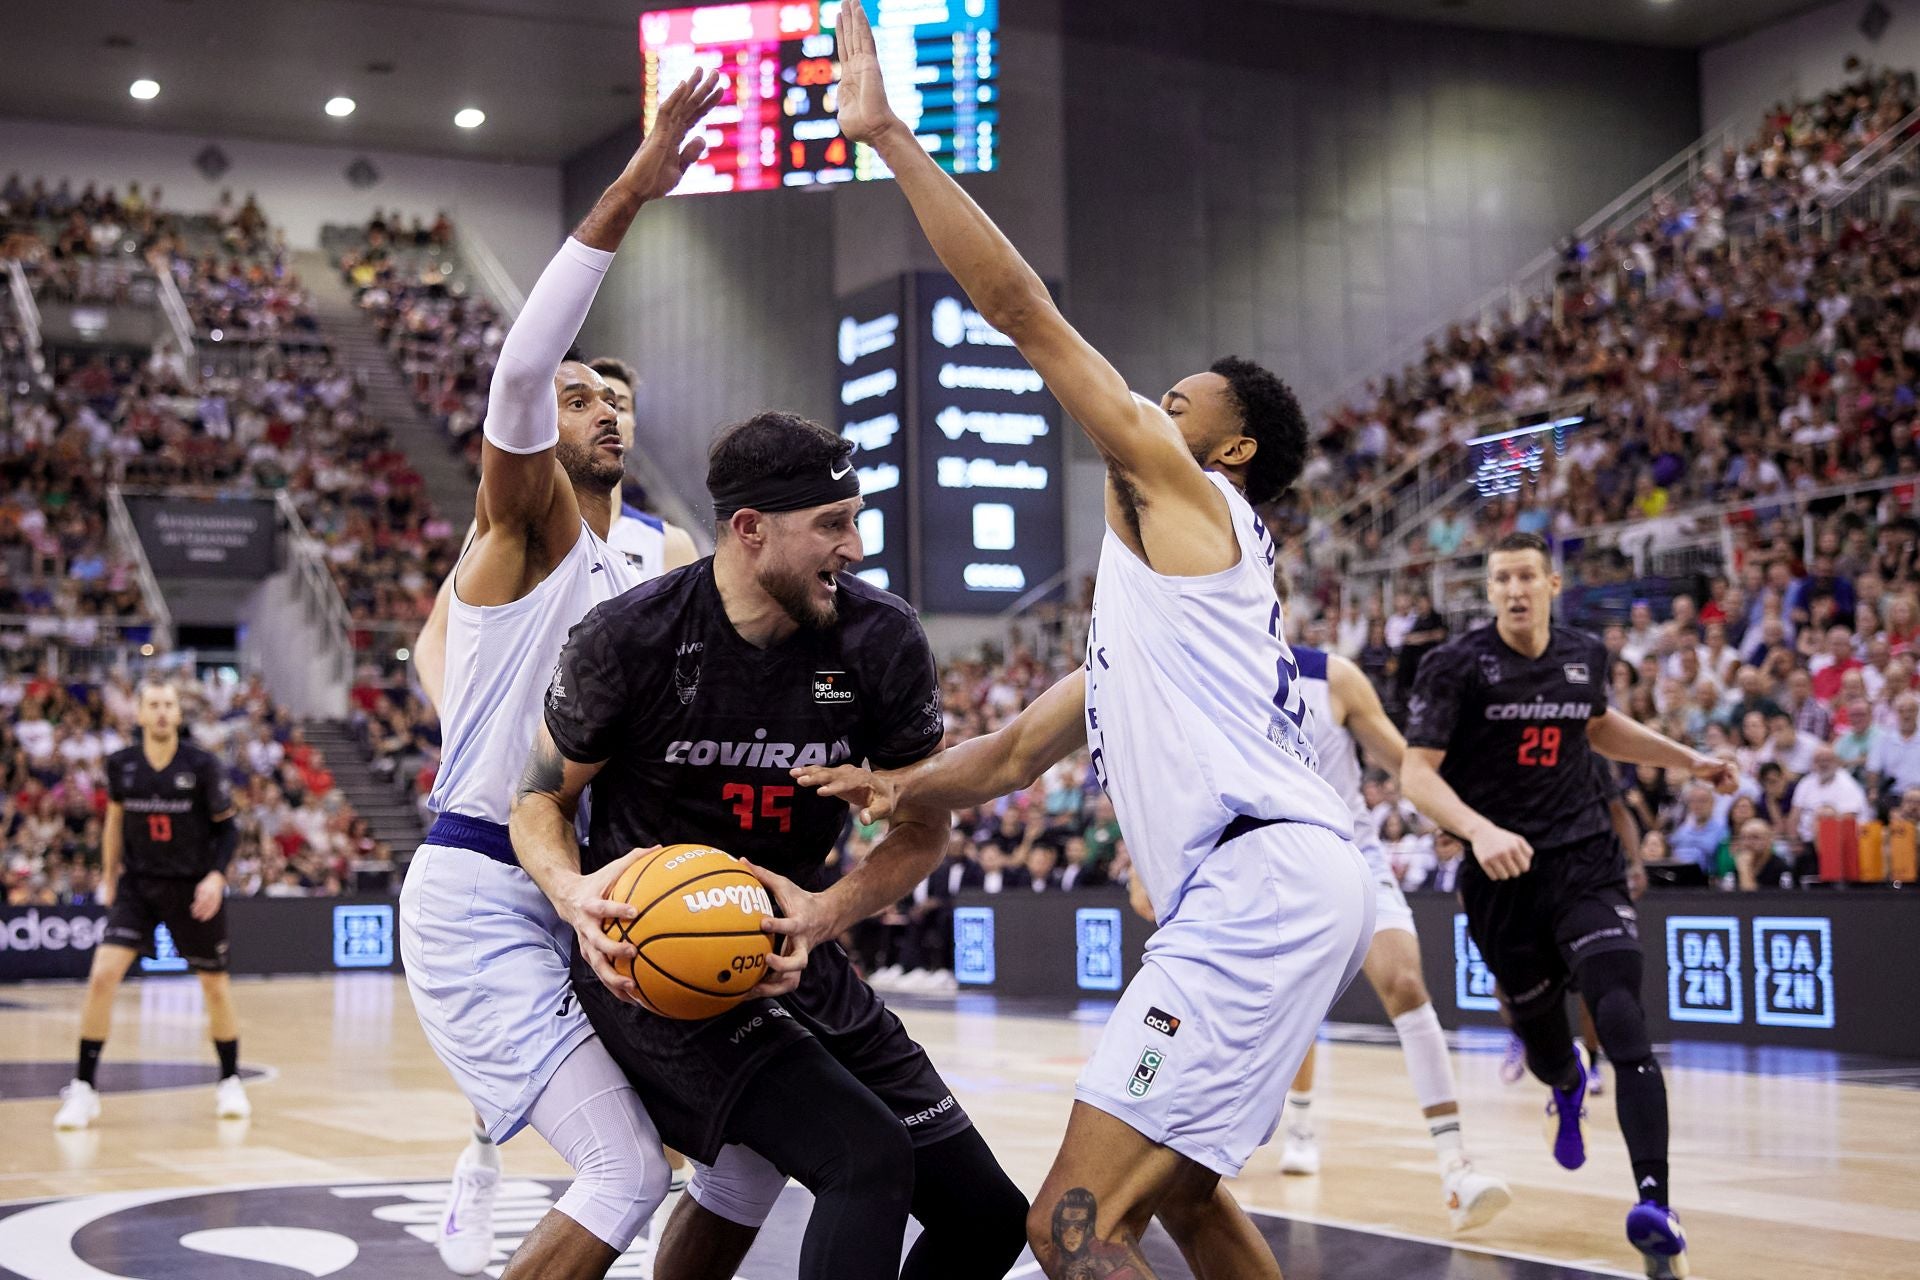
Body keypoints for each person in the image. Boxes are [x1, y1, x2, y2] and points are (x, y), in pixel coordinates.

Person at [795, 9, 1373, 1276]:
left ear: (1228, 453)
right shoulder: (1166, 612)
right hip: (1280, 882)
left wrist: (891, 137)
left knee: (1068, 1224)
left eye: (1177, 407)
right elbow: (1008, 754)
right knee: (1185, 1202)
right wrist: (897, 783)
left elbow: (1023, 312)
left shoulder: (1193, 502)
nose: (1146, 413)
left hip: (1256, 890)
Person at [397, 72, 781, 1280]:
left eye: (615, 394)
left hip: (609, 887)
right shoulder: (514, 534)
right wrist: (630, 191)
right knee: (621, 1172)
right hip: (487, 880)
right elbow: (431, 648)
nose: (602, 407)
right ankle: (484, 1137)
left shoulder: (662, 556)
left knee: (750, 1147)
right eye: (579, 393)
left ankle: (489, 1138)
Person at [509, 409, 1027, 1280]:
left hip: (795, 945)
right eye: (833, 524)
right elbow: (539, 801)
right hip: (657, 968)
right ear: (750, 530)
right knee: (862, 1160)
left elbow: (921, 824)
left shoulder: (881, 638)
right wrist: (572, 895)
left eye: (855, 519)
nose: (855, 547)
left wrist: (828, 912)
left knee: (987, 1217)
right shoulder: (630, 637)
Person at [1399, 530, 1736, 1280]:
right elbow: (1414, 775)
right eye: (1500, 580)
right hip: (1500, 879)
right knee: (1551, 1048)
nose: (1515, 590)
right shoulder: (1455, 667)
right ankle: (1565, 1083)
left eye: (1526, 576)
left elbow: (1598, 724)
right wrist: (1479, 831)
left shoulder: (1585, 654)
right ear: (1488, 593)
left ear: (1552, 585)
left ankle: (1657, 1209)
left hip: (1584, 862)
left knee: (1622, 1013)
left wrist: (1690, 762)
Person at [1274, 638, 1512, 1232]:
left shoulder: (1334, 677)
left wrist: (1457, 817)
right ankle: (1296, 1122)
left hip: (1351, 852)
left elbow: (1407, 764)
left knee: (1405, 981)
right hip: (1272, 864)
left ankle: (1456, 1168)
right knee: (1291, 1003)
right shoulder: (1210, 676)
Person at [54, 680, 248, 1129]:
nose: (161, 712)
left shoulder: (201, 764)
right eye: (153, 705)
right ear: (139, 714)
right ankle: (83, 1088)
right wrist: (108, 877)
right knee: (102, 977)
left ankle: (230, 1079)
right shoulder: (121, 765)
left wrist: (217, 877)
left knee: (215, 987)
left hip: (192, 887)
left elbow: (229, 830)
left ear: (178, 714)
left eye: (168, 705)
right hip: (138, 886)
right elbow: (113, 824)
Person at [585, 356, 701, 578]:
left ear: (633, 425)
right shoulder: (533, 533)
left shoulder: (669, 544)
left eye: (619, 406)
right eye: (584, 404)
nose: (609, 415)